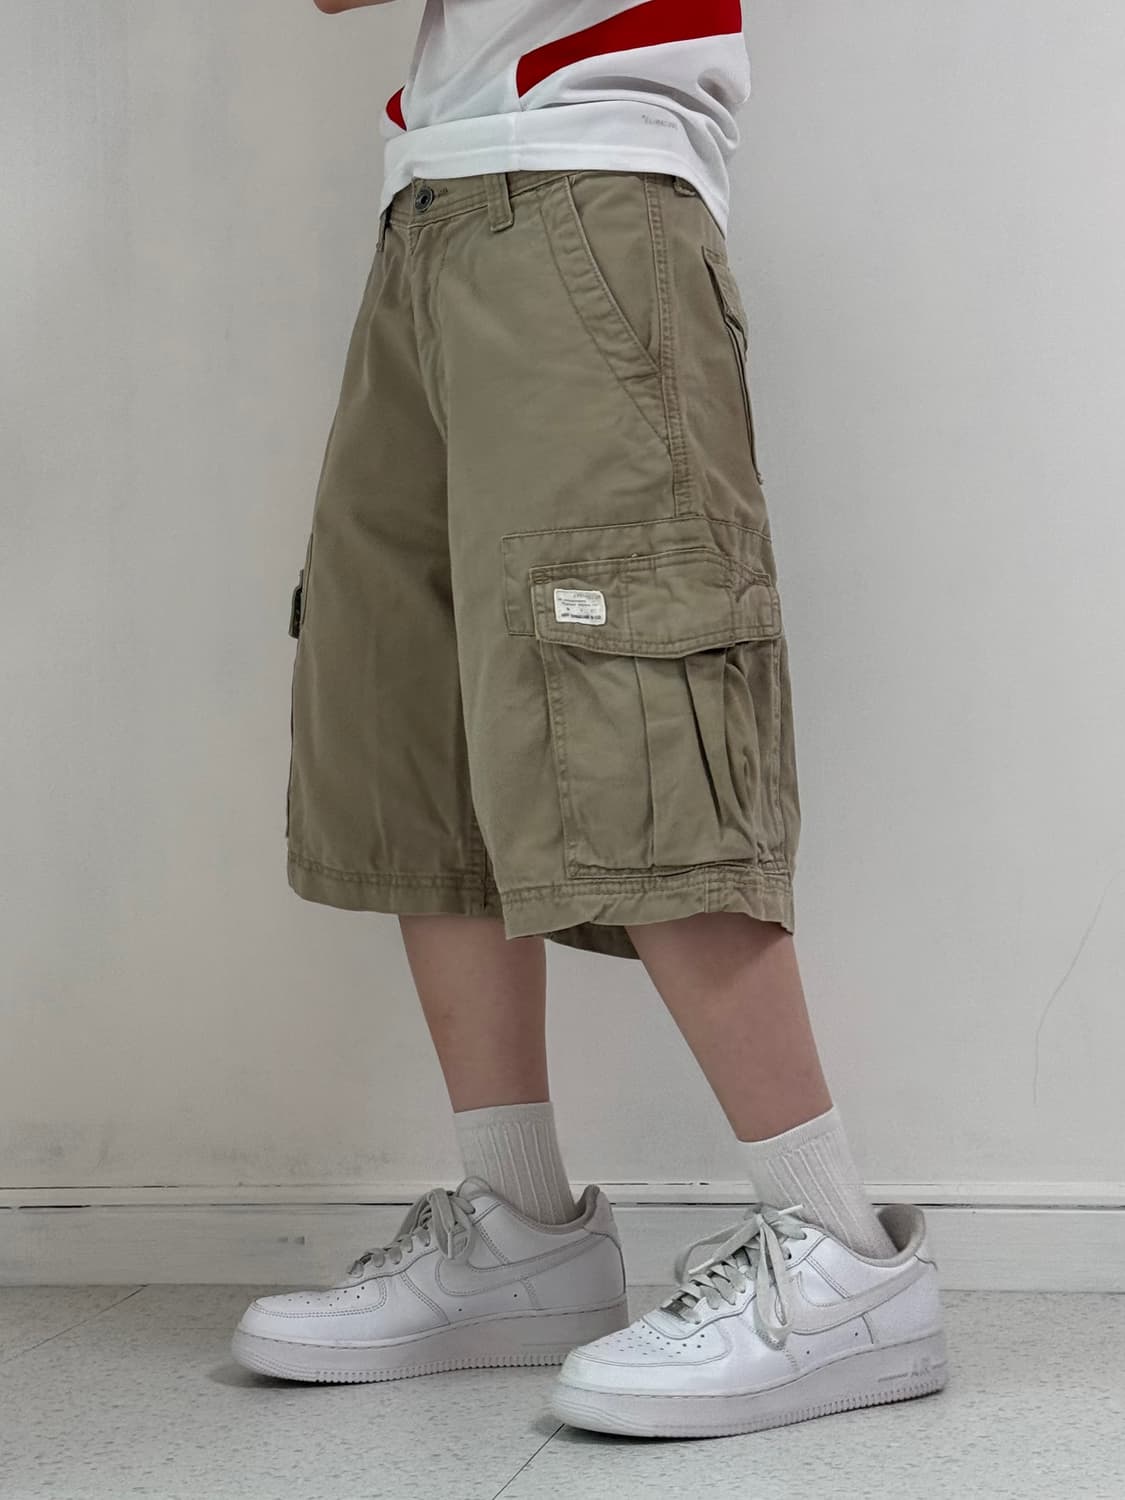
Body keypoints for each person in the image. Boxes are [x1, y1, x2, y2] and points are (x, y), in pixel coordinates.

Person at [231, 0, 949, 1438]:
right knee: (417, 714)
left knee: (632, 708)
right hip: (436, 198)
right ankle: (518, 1234)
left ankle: (838, 1257)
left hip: (586, 184)